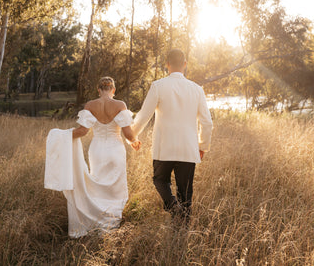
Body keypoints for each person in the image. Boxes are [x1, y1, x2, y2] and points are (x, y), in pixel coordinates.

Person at [46, 77, 140, 238]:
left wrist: (62, 135)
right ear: (113, 89)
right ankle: (111, 222)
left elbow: (82, 132)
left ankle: (96, 219)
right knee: (114, 189)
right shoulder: (120, 105)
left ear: (98, 89)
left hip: (97, 150)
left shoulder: (90, 105)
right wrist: (135, 141)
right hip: (115, 150)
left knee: (98, 185)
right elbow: (128, 134)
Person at [131, 49, 213, 223]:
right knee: (185, 193)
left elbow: (143, 116)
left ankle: (172, 206)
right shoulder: (197, 89)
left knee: (160, 180)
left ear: (167, 64)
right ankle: (182, 224)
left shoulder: (158, 86)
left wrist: (133, 137)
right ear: (185, 64)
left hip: (164, 148)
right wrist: (202, 146)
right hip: (188, 148)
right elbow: (207, 123)